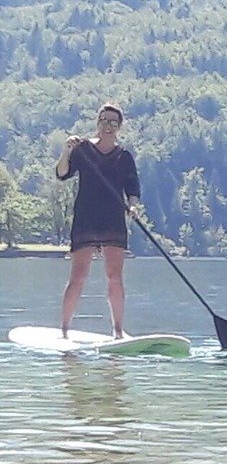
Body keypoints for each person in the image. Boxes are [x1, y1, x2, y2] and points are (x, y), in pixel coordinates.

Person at [56, 103, 140, 339]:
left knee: (115, 276)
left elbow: (133, 188)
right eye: (104, 121)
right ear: (98, 122)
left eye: (113, 123)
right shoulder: (82, 150)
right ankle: (64, 330)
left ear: (119, 127)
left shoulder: (124, 157)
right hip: (86, 218)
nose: (108, 126)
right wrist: (66, 150)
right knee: (78, 276)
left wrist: (132, 206)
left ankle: (117, 330)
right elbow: (62, 173)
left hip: (113, 220)